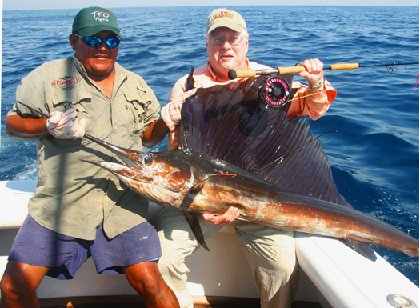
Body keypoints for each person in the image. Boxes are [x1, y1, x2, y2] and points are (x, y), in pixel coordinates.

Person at [156, 8, 337, 308]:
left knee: (281, 268)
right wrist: (169, 120)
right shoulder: (186, 86)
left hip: (258, 196)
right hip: (201, 199)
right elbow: (178, 157)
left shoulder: (270, 79)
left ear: (246, 43)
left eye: (232, 38)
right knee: (163, 261)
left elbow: (313, 110)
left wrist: (316, 82)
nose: (225, 46)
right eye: (218, 39)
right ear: (207, 43)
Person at [0, 6, 177, 308]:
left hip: (122, 204)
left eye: (111, 41)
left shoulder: (134, 83)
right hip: (61, 205)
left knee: (150, 281)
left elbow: (149, 137)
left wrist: (166, 119)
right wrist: (47, 125)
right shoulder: (45, 78)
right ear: (74, 41)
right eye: (94, 40)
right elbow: (13, 124)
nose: (103, 48)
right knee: (13, 286)